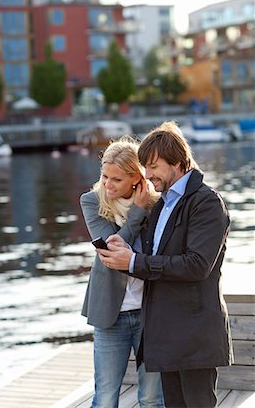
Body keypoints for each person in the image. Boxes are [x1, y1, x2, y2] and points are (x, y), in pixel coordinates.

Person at [97, 121, 233, 408]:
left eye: (154, 167)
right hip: (166, 335)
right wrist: (128, 250)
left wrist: (134, 261)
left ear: (178, 163)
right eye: (145, 167)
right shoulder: (161, 204)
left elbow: (196, 265)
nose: (148, 175)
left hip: (194, 336)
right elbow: (155, 254)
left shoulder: (207, 203)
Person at [80, 136, 165, 408]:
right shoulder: (92, 202)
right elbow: (112, 249)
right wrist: (137, 212)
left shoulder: (157, 205)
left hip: (150, 312)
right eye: (105, 176)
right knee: (105, 399)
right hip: (110, 315)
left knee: (152, 399)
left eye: (116, 179)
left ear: (136, 178)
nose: (107, 184)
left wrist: (143, 207)